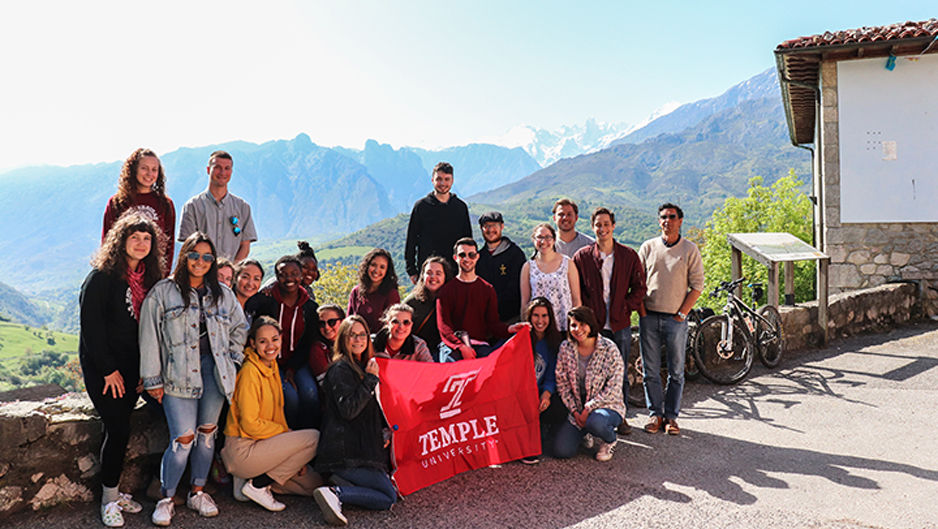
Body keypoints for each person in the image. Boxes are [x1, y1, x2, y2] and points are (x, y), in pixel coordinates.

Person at [139, 232, 248, 526]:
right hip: (176, 374)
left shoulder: (223, 295)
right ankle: (166, 497)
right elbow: (148, 336)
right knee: (183, 439)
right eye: (194, 255)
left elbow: (240, 328)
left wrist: (233, 360)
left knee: (207, 434)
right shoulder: (163, 292)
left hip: (214, 372)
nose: (200, 261)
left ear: (212, 262)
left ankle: (197, 492)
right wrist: (153, 380)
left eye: (207, 257)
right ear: (184, 255)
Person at [80, 212, 164, 527]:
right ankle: (108, 501)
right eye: (134, 237)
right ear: (120, 241)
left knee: (120, 427)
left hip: (133, 368)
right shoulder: (101, 277)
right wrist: (108, 370)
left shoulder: (148, 278)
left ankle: (114, 492)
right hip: (106, 369)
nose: (141, 243)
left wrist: (145, 370)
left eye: (147, 239)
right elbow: (92, 329)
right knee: (117, 429)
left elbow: (148, 330)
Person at [222, 316, 322, 512]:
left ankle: (250, 483)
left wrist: (296, 457)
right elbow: (250, 424)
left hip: (264, 445)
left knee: (313, 485)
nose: (270, 346)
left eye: (274, 339)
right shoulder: (250, 372)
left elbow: (277, 416)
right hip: (243, 448)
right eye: (262, 341)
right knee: (314, 438)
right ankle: (257, 485)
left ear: (281, 339)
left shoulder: (273, 366)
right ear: (253, 343)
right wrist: (287, 434)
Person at [313, 316, 396, 526]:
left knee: (390, 491)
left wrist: (384, 431)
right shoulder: (340, 369)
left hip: (361, 451)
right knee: (388, 497)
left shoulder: (361, 366)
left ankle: (343, 484)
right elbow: (349, 410)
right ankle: (336, 492)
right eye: (352, 335)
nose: (358, 339)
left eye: (362, 335)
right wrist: (370, 380)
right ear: (343, 339)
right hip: (344, 454)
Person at [573, 207, 646, 435]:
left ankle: (621, 416)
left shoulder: (628, 255)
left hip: (619, 324)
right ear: (592, 227)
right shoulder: (583, 256)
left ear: (613, 226)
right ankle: (593, 418)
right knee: (592, 375)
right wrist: (586, 316)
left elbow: (640, 288)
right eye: (598, 224)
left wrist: (625, 307)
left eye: (606, 224)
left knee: (619, 372)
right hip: (594, 327)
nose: (602, 229)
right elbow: (577, 290)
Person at [638, 203, 704, 436]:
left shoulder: (689, 250)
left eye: (672, 217)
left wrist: (682, 314)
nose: (667, 221)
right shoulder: (648, 247)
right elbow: (638, 284)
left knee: (676, 371)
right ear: (659, 221)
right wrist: (643, 313)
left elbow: (697, 286)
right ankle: (655, 415)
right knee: (650, 371)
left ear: (680, 220)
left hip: (676, 319)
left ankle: (672, 418)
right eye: (663, 217)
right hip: (649, 317)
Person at [553, 306, 626, 462]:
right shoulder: (565, 348)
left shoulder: (609, 348)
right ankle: (585, 432)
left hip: (606, 406)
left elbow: (614, 387)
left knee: (596, 422)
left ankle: (609, 440)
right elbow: (562, 384)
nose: (578, 329)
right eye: (573, 325)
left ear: (591, 324)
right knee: (561, 450)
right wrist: (575, 411)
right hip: (578, 409)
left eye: (582, 324)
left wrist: (589, 408)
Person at [436, 238, 527, 361]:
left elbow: (493, 324)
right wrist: (461, 347)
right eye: (462, 255)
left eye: (471, 255)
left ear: (477, 257)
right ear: (455, 258)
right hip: (453, 347)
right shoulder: (446, 291)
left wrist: (510, 329)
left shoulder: (487, 289)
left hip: (480, 345)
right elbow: (445, 328)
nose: (467, 259)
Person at [258, 256, 321, 430]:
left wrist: (292, 369)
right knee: (290, 397)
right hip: (271, 362)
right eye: (283, 274)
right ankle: (289, 434)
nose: (289, 278)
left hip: (298, 363)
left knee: (310, 393)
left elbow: (307, 342)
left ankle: (310, 436)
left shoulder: (309, 308)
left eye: (294, 273)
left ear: (301, 276)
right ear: (276, 277)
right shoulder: (267, 302)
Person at [102, 148, 175, 276]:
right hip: (121, 273)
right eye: (144, 168)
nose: (149, 174)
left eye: (154, 169)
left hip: (153, 273)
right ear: (133, 169)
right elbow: (107, 240)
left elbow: (169, 244)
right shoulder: (117, 202)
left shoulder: (165, 204)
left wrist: (164, 275)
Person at [178, 150, 257, 262]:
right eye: (217, 167)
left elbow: (245, 246)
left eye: (227, 168)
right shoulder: (192, 206)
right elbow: (188, 246)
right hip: (201, 272)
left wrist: (230, 270)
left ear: (231, 171)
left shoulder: (243, 207)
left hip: (230, 275)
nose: (222, 172)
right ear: (208, 170)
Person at [404, 162, 472, 284]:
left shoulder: (460, 207)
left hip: (454, 272)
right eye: (439, 179)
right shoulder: (421, 207)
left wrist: (467, 268)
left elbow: (467, 241)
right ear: (432, 180)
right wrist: (412, 271)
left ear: (452, 181)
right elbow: (411, 240)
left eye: (447, 179)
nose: (443, 183)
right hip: (428, 272)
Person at [520, 297, 566, 465]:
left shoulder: (554, 342)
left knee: (559, 409)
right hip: (521, 397)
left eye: (544, 316)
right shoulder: (520, 338)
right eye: (535, 316)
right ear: (529, 317)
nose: (540, 321)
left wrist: (546, 394)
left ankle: (545, 428)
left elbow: (552, 375)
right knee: (529, 451)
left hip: (540, 396)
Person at [520, 223, 581, 330]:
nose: (543, 241)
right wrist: (526, 327)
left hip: (564, 325)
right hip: (538, 328)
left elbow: (576, 299)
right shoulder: (528, 267)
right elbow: (525, 302)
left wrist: (576, 325)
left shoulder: (567, 263)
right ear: (533, 240)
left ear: (554, 239)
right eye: (539, 237)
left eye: (548, 237)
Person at [475, 211, 527, 324]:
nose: (490, 230)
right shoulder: (479, 258)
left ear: (502, 227)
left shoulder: (515, 254)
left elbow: (518, 287)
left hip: (511, 318)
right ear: (481, 228)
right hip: (485, 319)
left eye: (494, 226)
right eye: (486, 226)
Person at [403, 256, 452, 358]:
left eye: (438, 273)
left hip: (443, 350)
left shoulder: (451, 300)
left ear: (445, 277)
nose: (433, 276)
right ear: (423, 276)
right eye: (429, 273)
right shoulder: (412, 302)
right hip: (416, 351)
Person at [346, 248, 400, 333]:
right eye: (373, 265)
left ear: (387, 271)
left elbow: (392, 325)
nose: (376, 270)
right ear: (367, 266)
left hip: (379, 342)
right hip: (357, 340)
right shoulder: (356, 291)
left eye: (382, 267)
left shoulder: (391, 294)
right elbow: (348, 321)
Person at [308, 304, 346, 385]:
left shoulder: (353, 342)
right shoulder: (317, 349)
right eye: (321, 323)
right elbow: (326, 384)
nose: (327, 327)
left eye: (331, 322)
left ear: (342, 322)